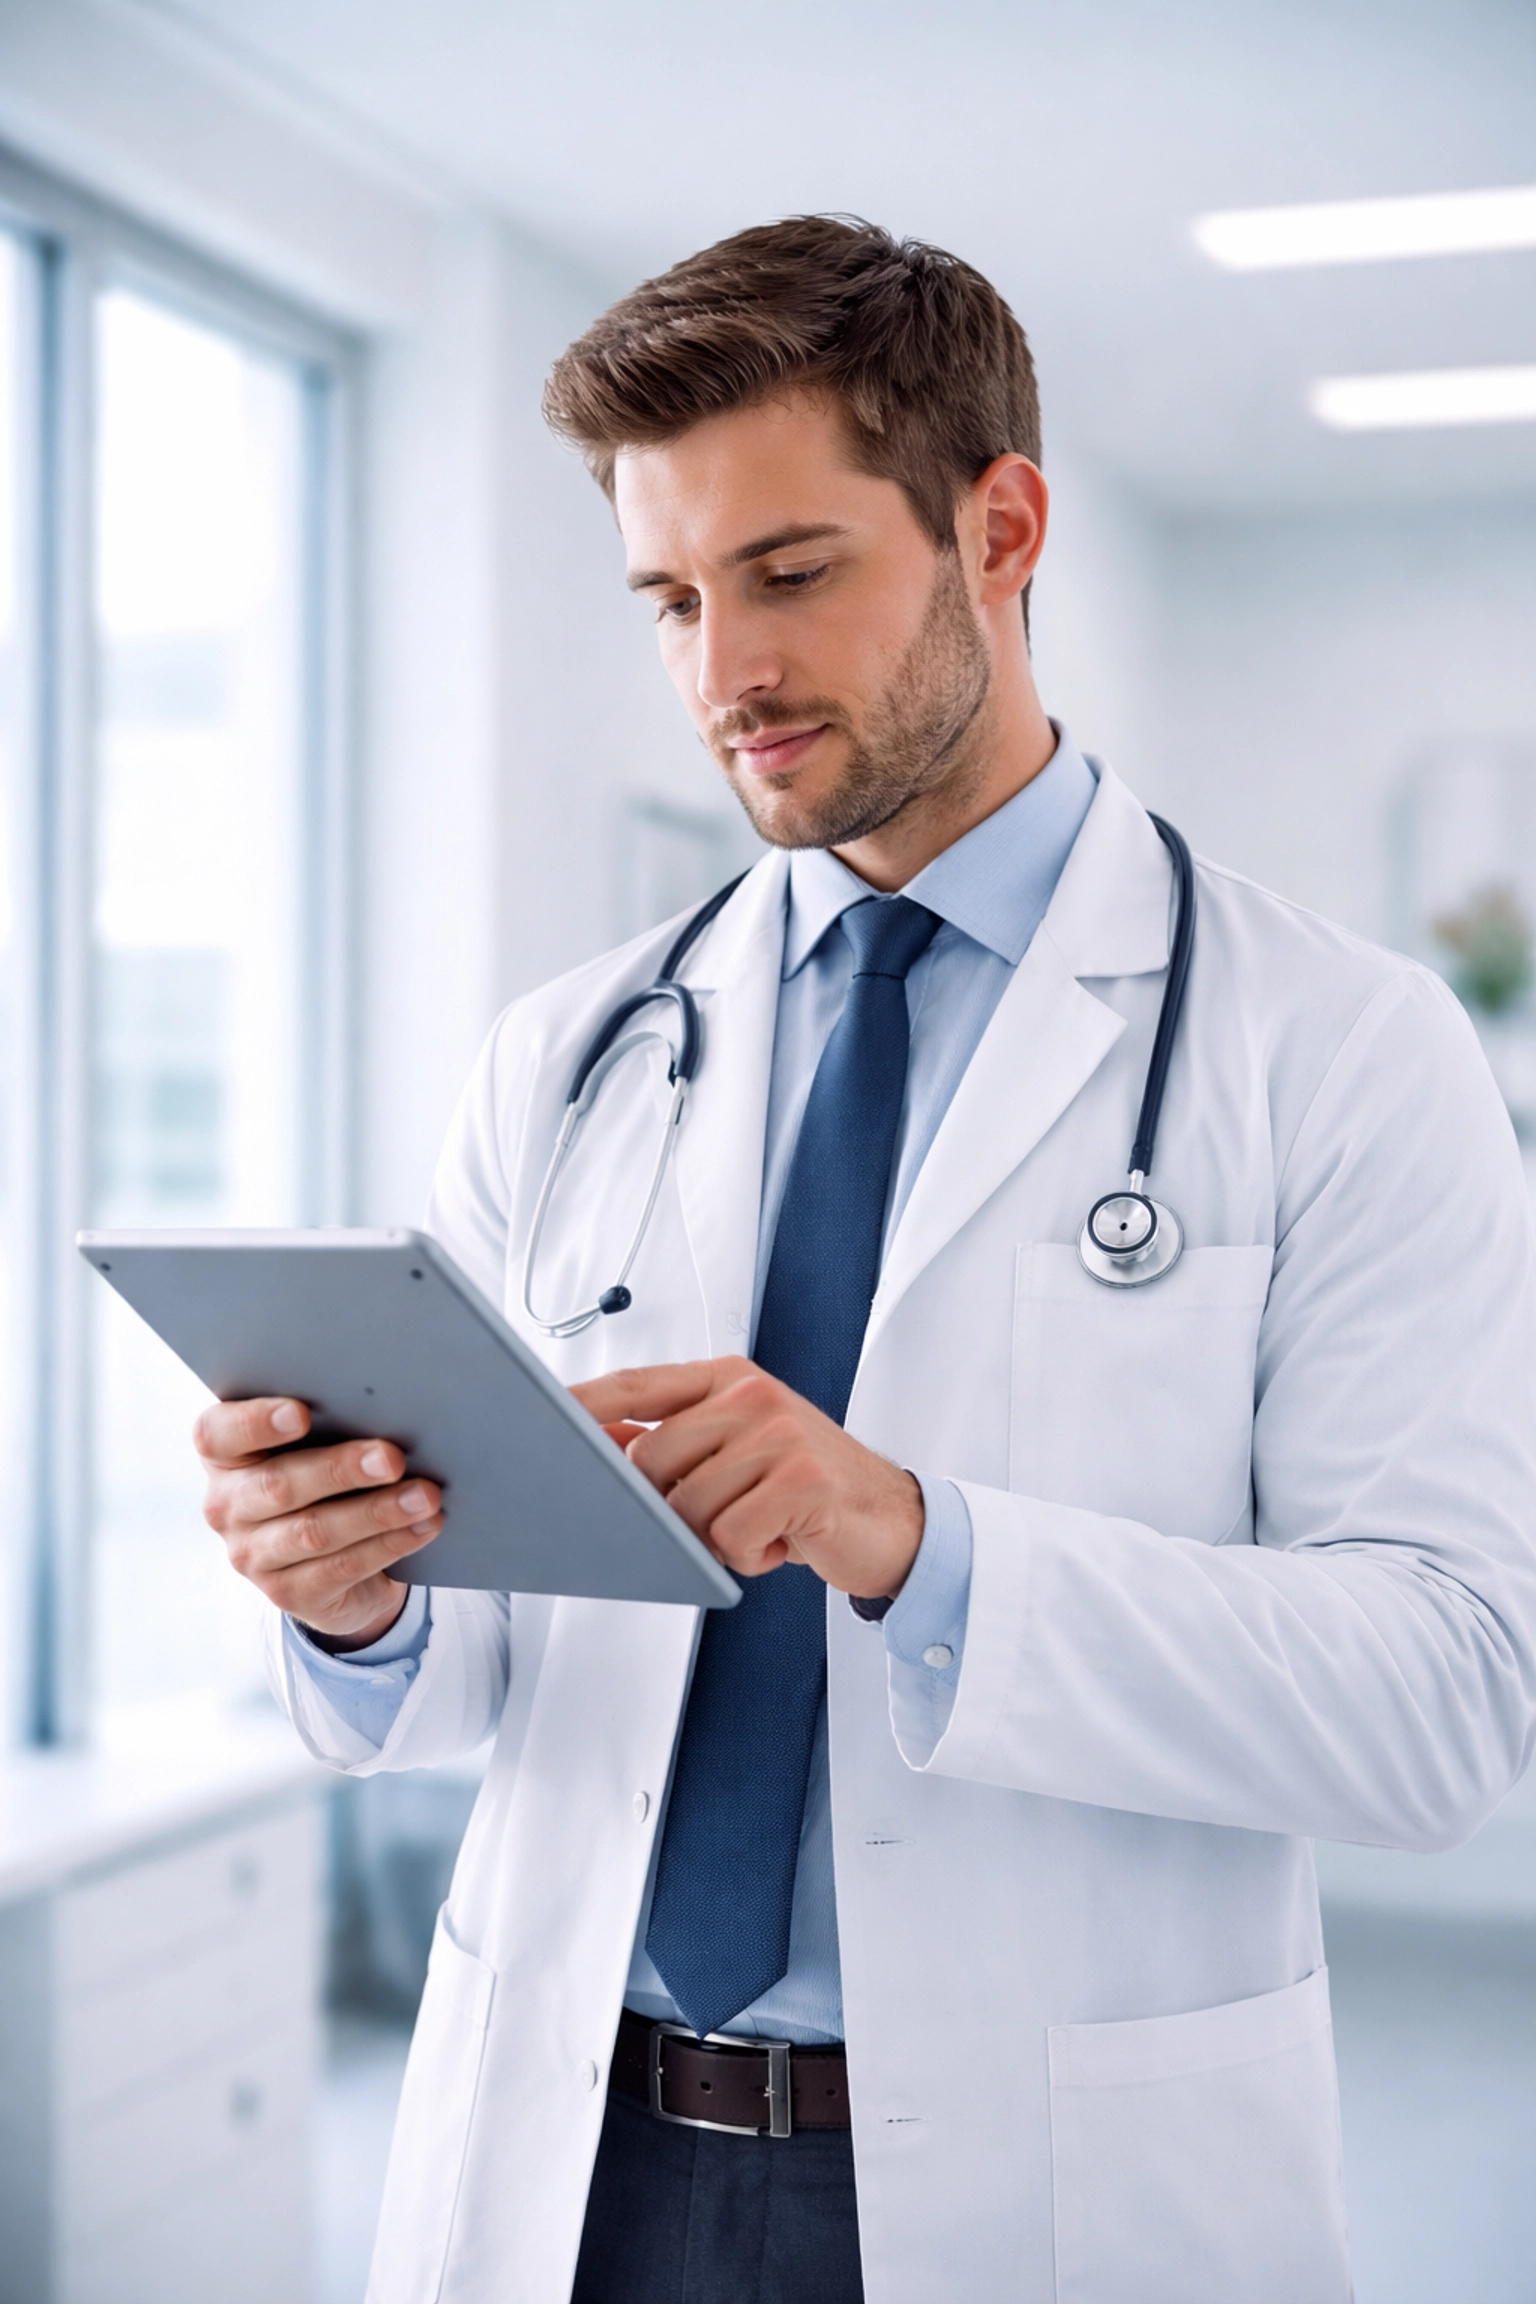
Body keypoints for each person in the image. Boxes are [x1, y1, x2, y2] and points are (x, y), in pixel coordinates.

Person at [197, 217, 1536, 2304]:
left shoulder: (1341, 1048)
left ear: (999, 528)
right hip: (572, 2162)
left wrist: (918, 1543)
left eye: (790, 573)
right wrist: (354, 1591)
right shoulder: (567, 1060)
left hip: (1050, 2196)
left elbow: (1444, 1708)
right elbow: (452, 1691)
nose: (719, 671)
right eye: (669, 597)